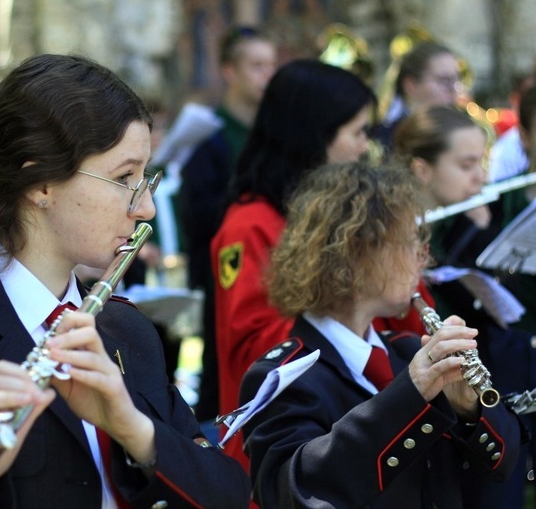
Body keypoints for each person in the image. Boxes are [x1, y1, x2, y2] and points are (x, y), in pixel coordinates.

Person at [0, 53, 251, 508]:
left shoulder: (125, 330)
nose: (146, 209)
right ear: (40, 183)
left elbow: (228, 494)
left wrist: (134, 429)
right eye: (124, 178)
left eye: (145, 178)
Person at [239, 161, 523, 508]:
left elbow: (504, 466)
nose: (424, 257)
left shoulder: (404, 351)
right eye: (410, 241)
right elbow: (292, 493)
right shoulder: (282, 377)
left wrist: (469, 409)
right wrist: (410, 394)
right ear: (357, 252)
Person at [210, 59, 376, 471]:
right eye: (357, 132)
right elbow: (253, 347)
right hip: (275, 447)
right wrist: (355, 301)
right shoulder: (250, 226)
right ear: (314, 135)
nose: (364, 147)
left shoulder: (317, 215)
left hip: (331, 424)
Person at [394, 104, 536, 508]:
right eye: (467, 164)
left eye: (482, 164)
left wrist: (480, 231)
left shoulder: (472, 213)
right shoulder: (397, 232)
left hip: (479, 387)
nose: (480, 178)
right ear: (423, 170)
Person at [179, 25, 277, 427]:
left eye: (271, 66)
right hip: (225, 271)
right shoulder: (210, 137)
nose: (266, 76)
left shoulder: (269, 136)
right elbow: (196, 215)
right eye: (256, 66)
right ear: (229, 71)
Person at [372, 41, 460, 153]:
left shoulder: (457, 133)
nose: (454, 90)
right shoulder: (384, 141)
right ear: (410, 85)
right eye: (444, 80)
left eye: (455, 80)